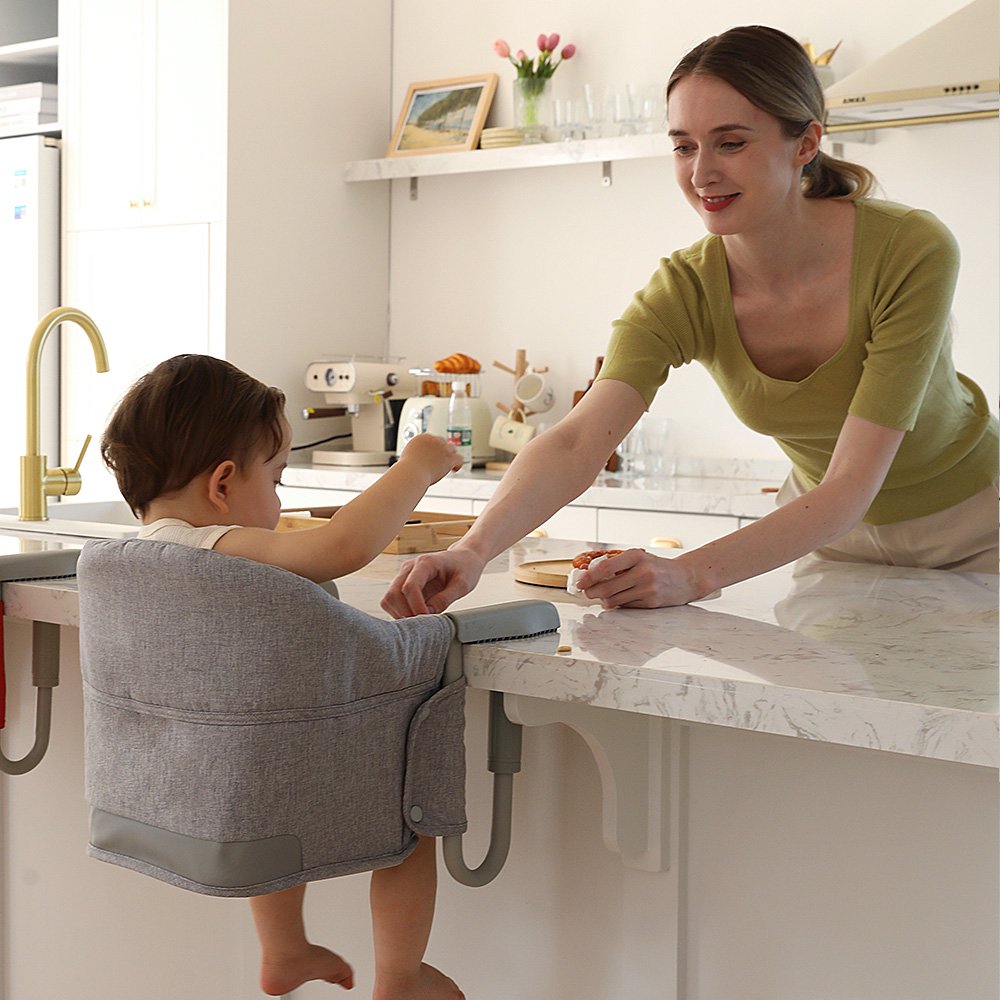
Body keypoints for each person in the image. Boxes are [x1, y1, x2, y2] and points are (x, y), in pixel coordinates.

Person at [381, 24, 999, 619]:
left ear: (806, 143)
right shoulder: (684, 290)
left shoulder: (910, 248)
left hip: (976, 528)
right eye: (683, 145)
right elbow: (575, 440)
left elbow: (850, 483)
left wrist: (690, 574)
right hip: (832, 544)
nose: (701, 173)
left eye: (731, 142)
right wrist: (473, 550)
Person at [101, 354, 464, 1000]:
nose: (276, 501)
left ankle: (284, 946)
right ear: (222, 487)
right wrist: (417, 467)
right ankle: (402, 977)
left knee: (269, 779)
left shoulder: (136, 559)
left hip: (212, 779)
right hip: (271, 770)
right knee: (413, 806)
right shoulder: (218, 548)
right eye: (277, 479)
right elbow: (342, 547)